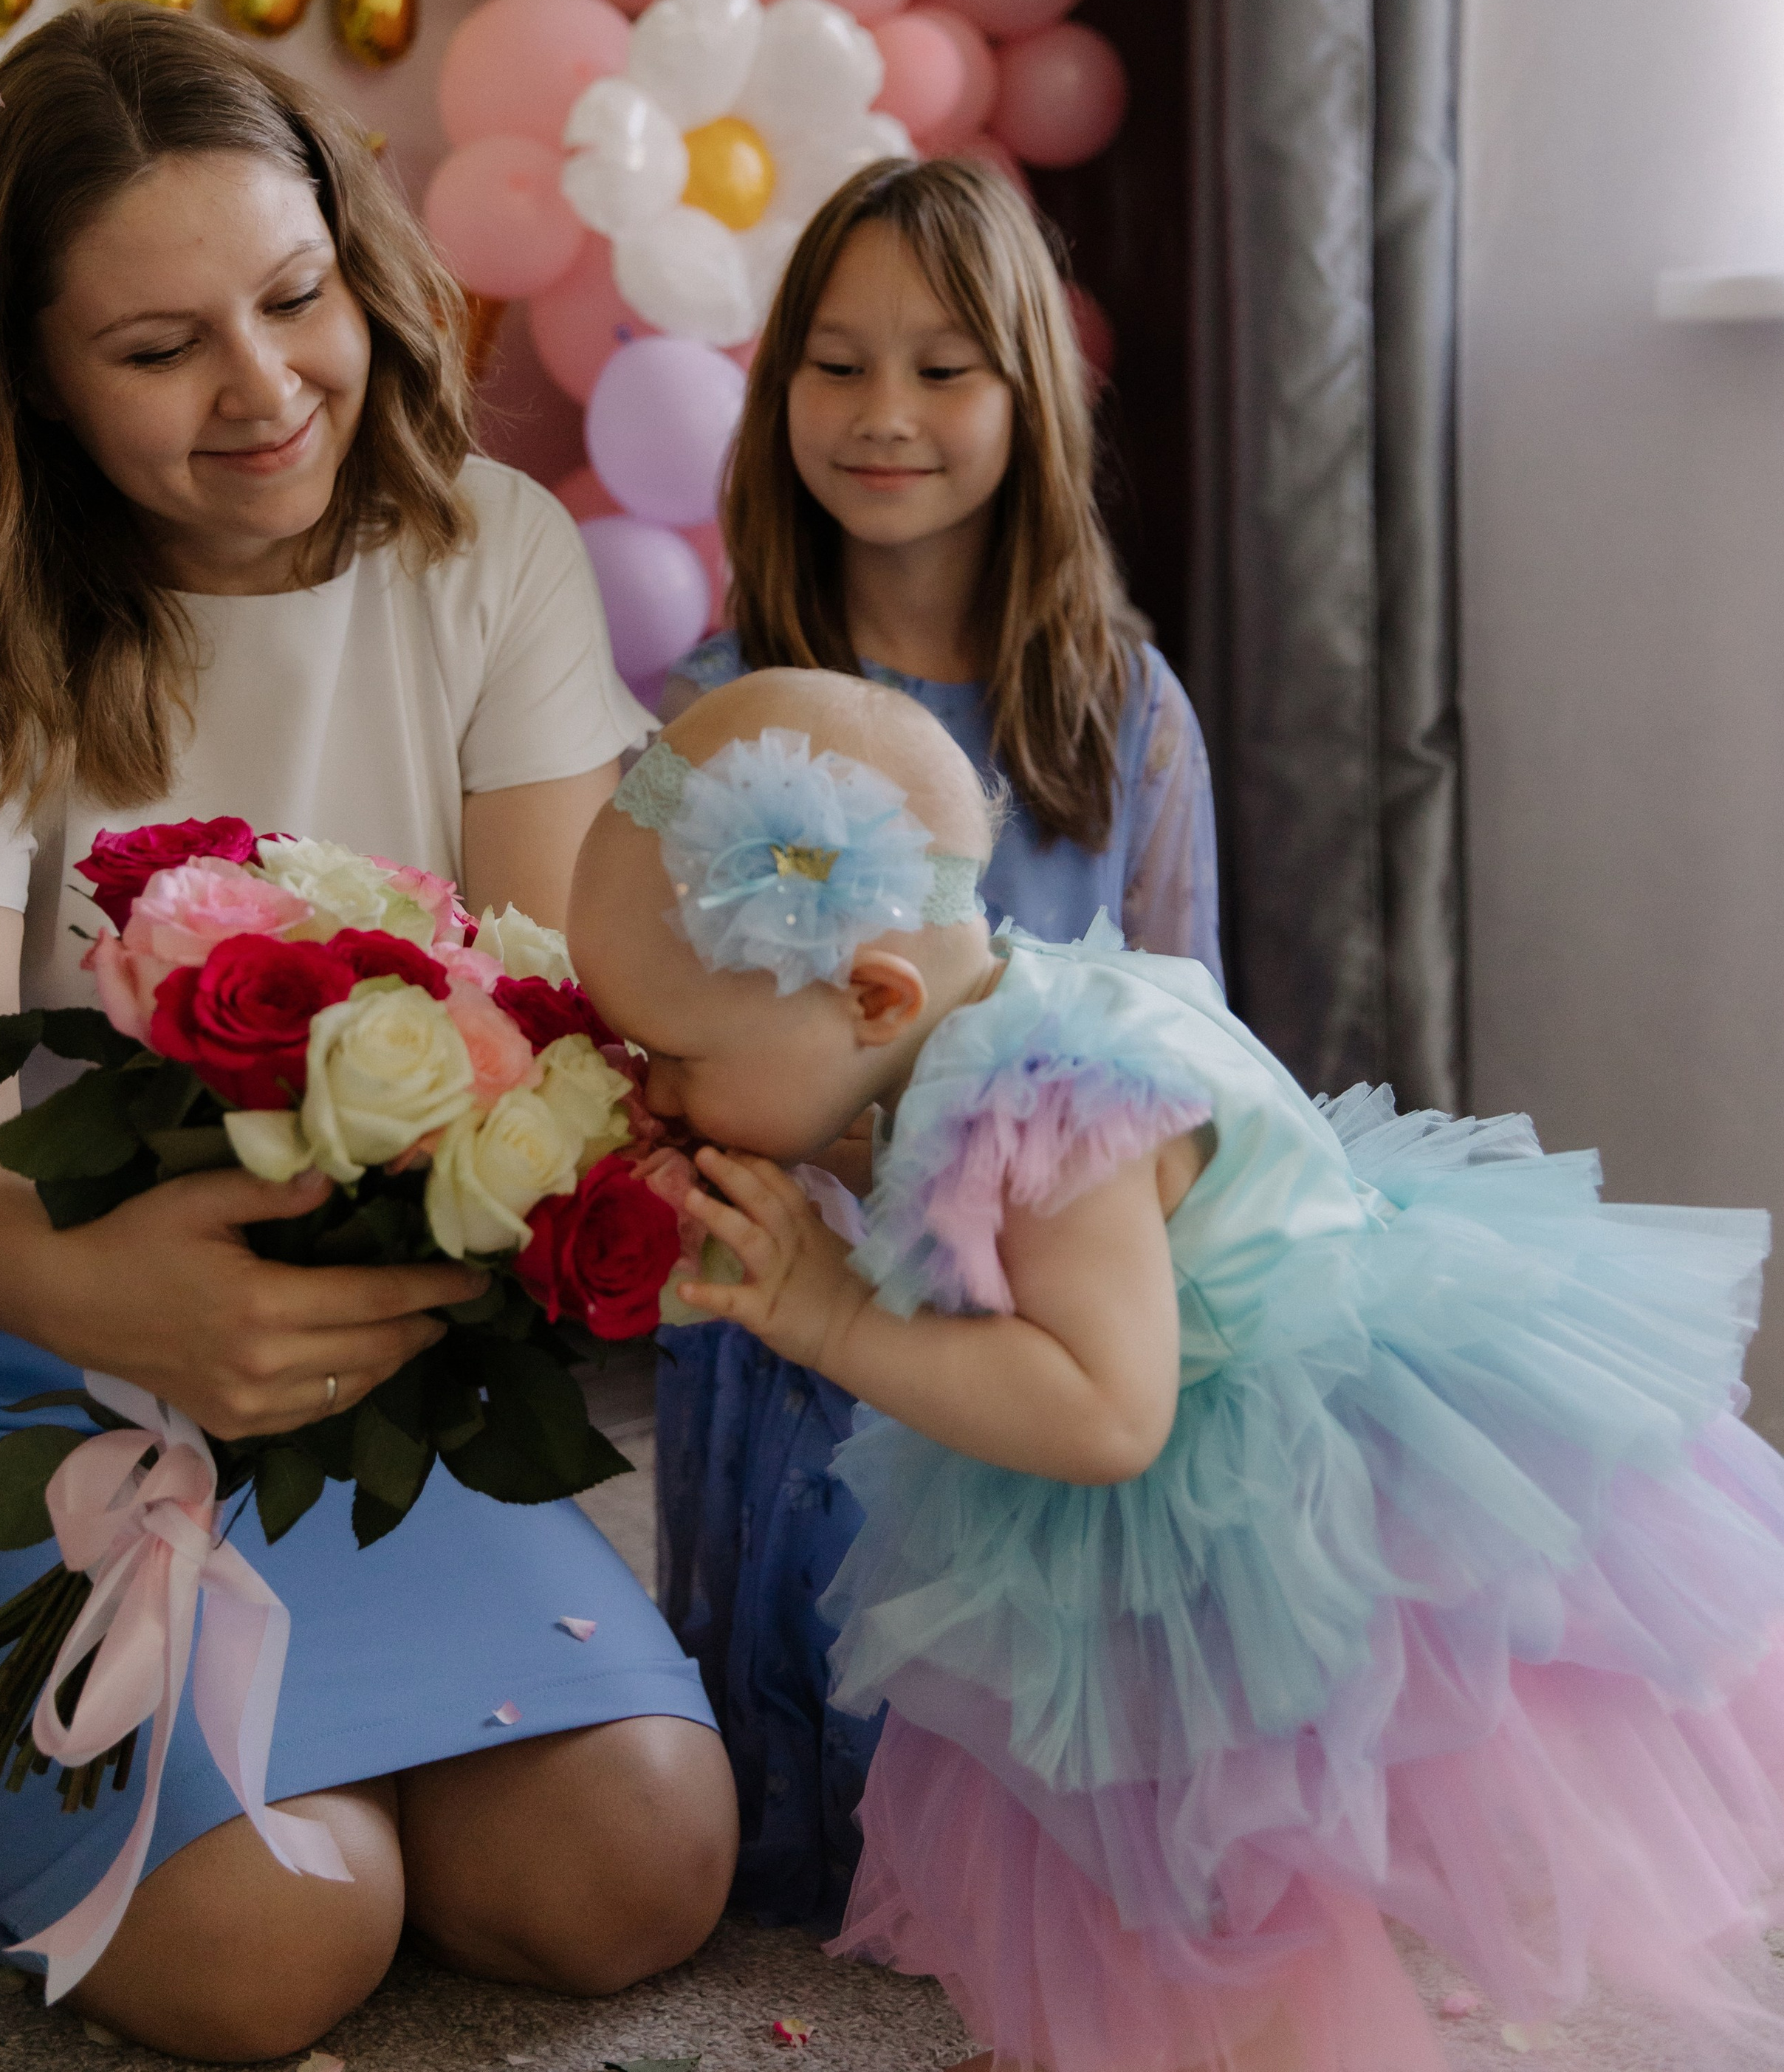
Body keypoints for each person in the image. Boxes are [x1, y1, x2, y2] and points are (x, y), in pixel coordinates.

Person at [0, 5, 737, 2064]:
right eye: (158, 348)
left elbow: (555, 1019)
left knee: (636, 1868)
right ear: (32, 382)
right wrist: (124, 1300)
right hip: (3, 1349)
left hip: (364, 1357)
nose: (267, 389)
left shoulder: (487, 550)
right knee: (276, 1945)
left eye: (295, 299)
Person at [574, 670, 1784, 2072]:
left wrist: (837, 1318)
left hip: (1261, 1480)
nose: (650, 1085)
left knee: (1210, 1844)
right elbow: (932, 1204)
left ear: (871, 994)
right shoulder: (965, 1025)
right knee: (1079, 1810)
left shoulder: (1048, 1110)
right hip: (1182, 1436)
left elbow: (1107, 1413)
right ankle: (1097, 2037)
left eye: (675, 1054)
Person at [654, 156, 1221, 1922]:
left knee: (1028, 1798)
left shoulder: (1121, 709)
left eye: (941, 365)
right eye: (835, 363)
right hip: (803, 1306)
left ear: (1023, 399)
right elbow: (666, 1039)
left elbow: (1188, 1037)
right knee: (813, 1737)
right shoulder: (718, 708)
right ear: (778, 395)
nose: (883, 414)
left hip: (1045, 1327)